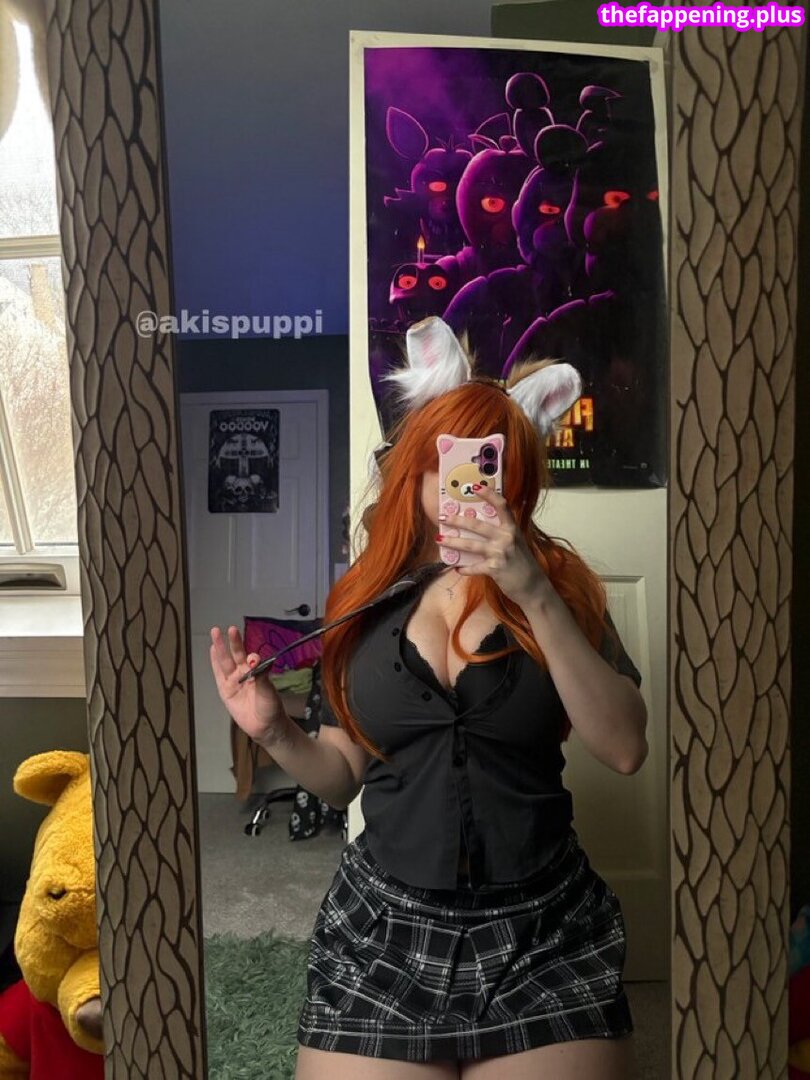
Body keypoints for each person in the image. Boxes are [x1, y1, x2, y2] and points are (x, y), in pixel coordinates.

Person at [209, 317, 648, 1080]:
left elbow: (625, 747)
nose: (463, 490)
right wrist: (275, 732)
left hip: (541, 931)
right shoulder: (364, 601)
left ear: (517, 481)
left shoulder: (563, 589)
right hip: (384, 928)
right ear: (415, 469)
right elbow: (340, 776)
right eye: (449, 463)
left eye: (489, 466)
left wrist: (534, 593)